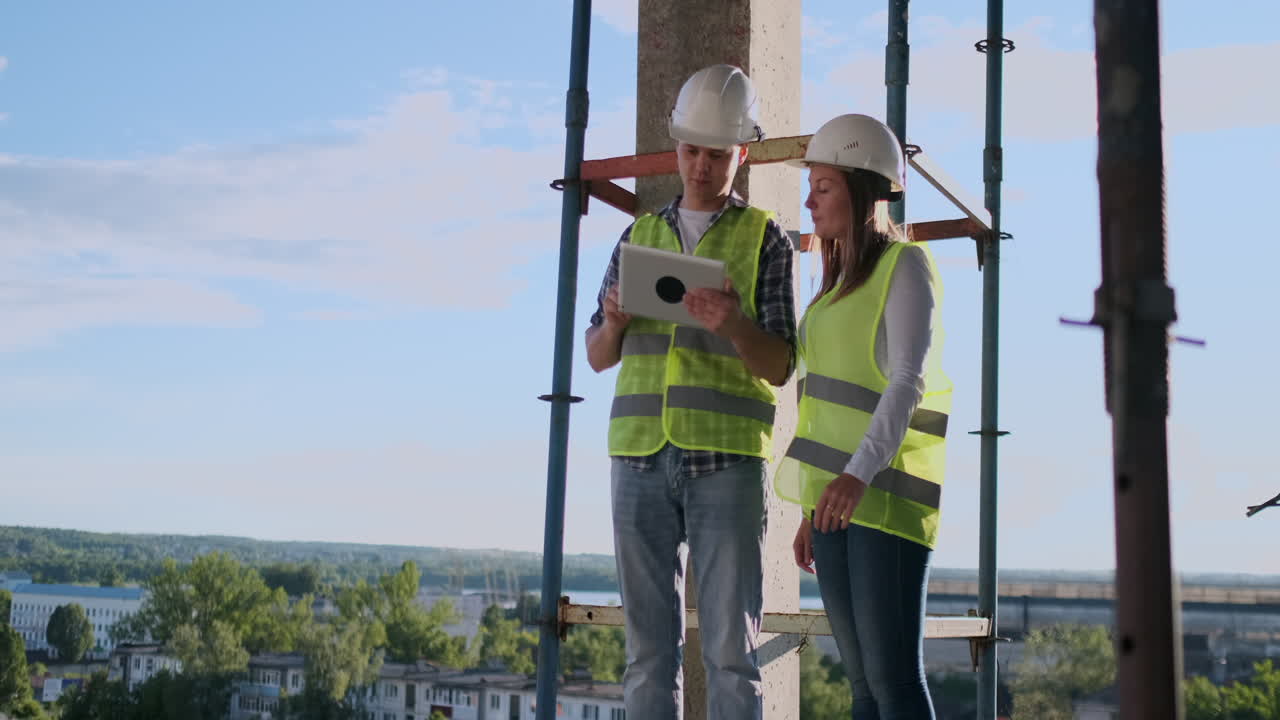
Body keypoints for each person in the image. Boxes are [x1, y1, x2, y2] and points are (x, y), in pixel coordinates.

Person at [584, 63, 796, 719]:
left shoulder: (766, 240)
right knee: (647, 655)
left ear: (742, 154)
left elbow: (781, 365)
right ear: (677, 146)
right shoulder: (638, 235)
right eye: (692, 151)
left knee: (732, 654)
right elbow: (596, 356)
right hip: (639, 457)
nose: (701, 167)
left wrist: (734, 324)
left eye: (717, 154)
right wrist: (614, 324)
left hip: (726, 461)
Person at [776, 113, 952, 719]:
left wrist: (855, 475)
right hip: (834, 502)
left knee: (894, 683)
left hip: (883, 496)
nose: (810, 201)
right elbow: (823, 409)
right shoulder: (830, 290)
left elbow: (907, 382)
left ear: (861, 189)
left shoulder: (905, 266)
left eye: (823, 187)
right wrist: (811, 509)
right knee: (862, 690)